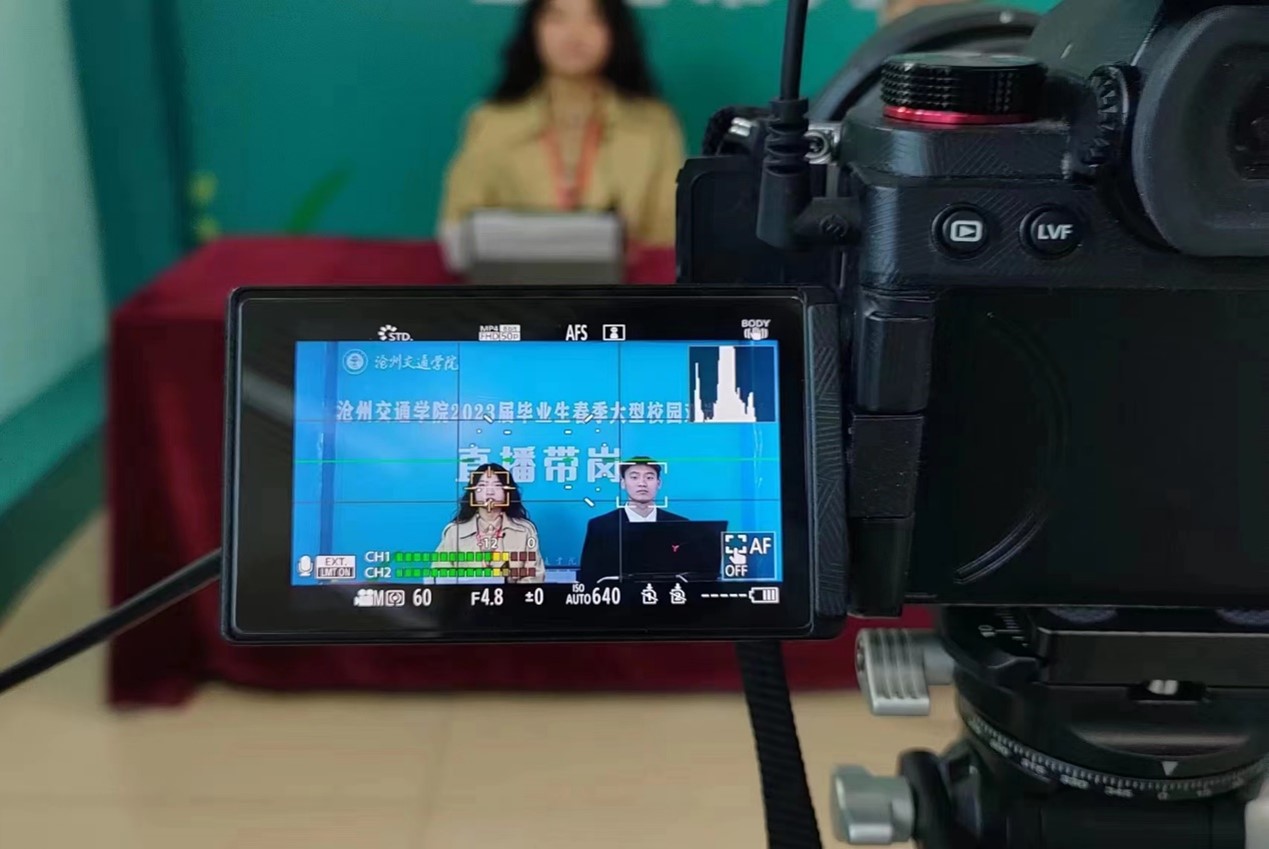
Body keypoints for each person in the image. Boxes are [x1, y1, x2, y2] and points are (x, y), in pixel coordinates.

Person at [438, 0, 685, 267]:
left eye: (593, 18)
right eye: (558, 17)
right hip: (514, 286)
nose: (575, 33)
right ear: (533, 28)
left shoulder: (653, 126)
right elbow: (458, 230)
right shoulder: (492, 123)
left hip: (627, 287)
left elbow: (670, 238)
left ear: (615, 30)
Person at [576, 456, 687, 584]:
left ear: (659, 483)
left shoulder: (680, 525)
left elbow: (689, 574)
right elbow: (589, 576)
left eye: (649, 477)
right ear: (623, 483)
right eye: (634, 477)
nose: (642, 483)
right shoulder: (600, 526)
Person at [435, 463, 546, 583]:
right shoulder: (454, 532)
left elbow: (535, 576)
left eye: (497, 485)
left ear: (507, 491)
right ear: (473, 492)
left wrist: (510, 593)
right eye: (482, 485)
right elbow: (440, 575)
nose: (489, 492)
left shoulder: (525, 531)